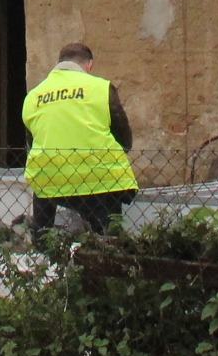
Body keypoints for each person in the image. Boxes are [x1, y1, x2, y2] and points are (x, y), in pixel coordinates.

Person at [19, 41, 138, 234]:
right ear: (89, 65)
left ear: (59, 63)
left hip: (52, 180)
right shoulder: (100, 88)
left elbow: (32, 141)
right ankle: (107, 247)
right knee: (108, 236)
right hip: (100, 180)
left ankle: (42, 243)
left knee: (43, 187)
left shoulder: (34, 96)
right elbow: (123, 136)